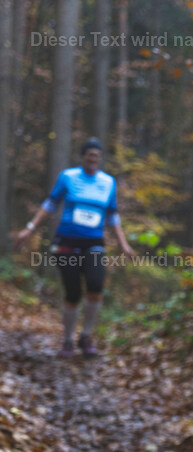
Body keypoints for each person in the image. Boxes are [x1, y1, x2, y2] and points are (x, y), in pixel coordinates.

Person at [14, 138, 133, 358]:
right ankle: (68, 339)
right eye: (89, 155)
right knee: (73, 292)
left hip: (94, 243)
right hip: (67, 242)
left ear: (100, 158)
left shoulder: (108, 182)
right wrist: (29, 229)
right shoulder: (68, 177)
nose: (93, 159)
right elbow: (50, 205)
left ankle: (86, 336)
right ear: (83, 157)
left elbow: (112, 215)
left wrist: (124, 245)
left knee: (96, 287)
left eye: (97, 155)